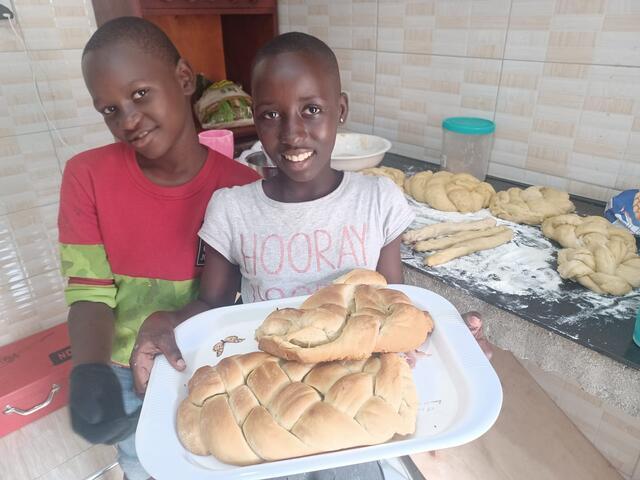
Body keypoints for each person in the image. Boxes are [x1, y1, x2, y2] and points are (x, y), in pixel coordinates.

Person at [58, 17, 260, 480]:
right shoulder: (86, 177)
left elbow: (246, 299)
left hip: (214, 366)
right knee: (144, 465)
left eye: (140, 94)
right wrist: (89, 370)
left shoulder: (243, 189)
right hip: (130, 375)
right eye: (109, 110)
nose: (127, 120)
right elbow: (89, 292)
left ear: (184, 79)